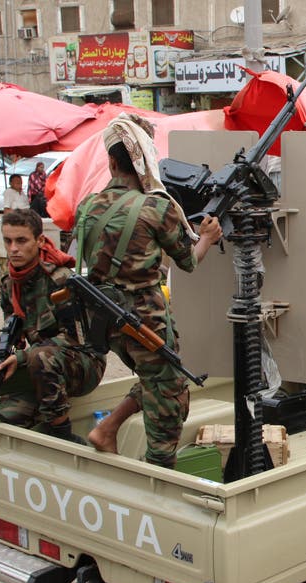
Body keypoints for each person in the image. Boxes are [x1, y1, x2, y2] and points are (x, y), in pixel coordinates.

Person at [76, 113, 222, 468]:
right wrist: (206, 238)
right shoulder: (158, 207)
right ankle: (160, 470)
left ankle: (107, 428)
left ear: (111, 162)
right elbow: (187, 262)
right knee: (171, 395)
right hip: (144, 320)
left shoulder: (88, 206)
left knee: (156, 376)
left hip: (102, 319)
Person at [0, 209, 106, 443]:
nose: (13, 248)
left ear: (40, 240)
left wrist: (24, 357)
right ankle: (39, 414)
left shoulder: (60, 280)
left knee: (40, 357)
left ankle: (62, 433)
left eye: (21, 240)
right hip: (42, 365)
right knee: (8, 415)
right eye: (8, 241)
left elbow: (77, 338)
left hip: (83, 362)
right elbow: (12, 330)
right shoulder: (10, 284)